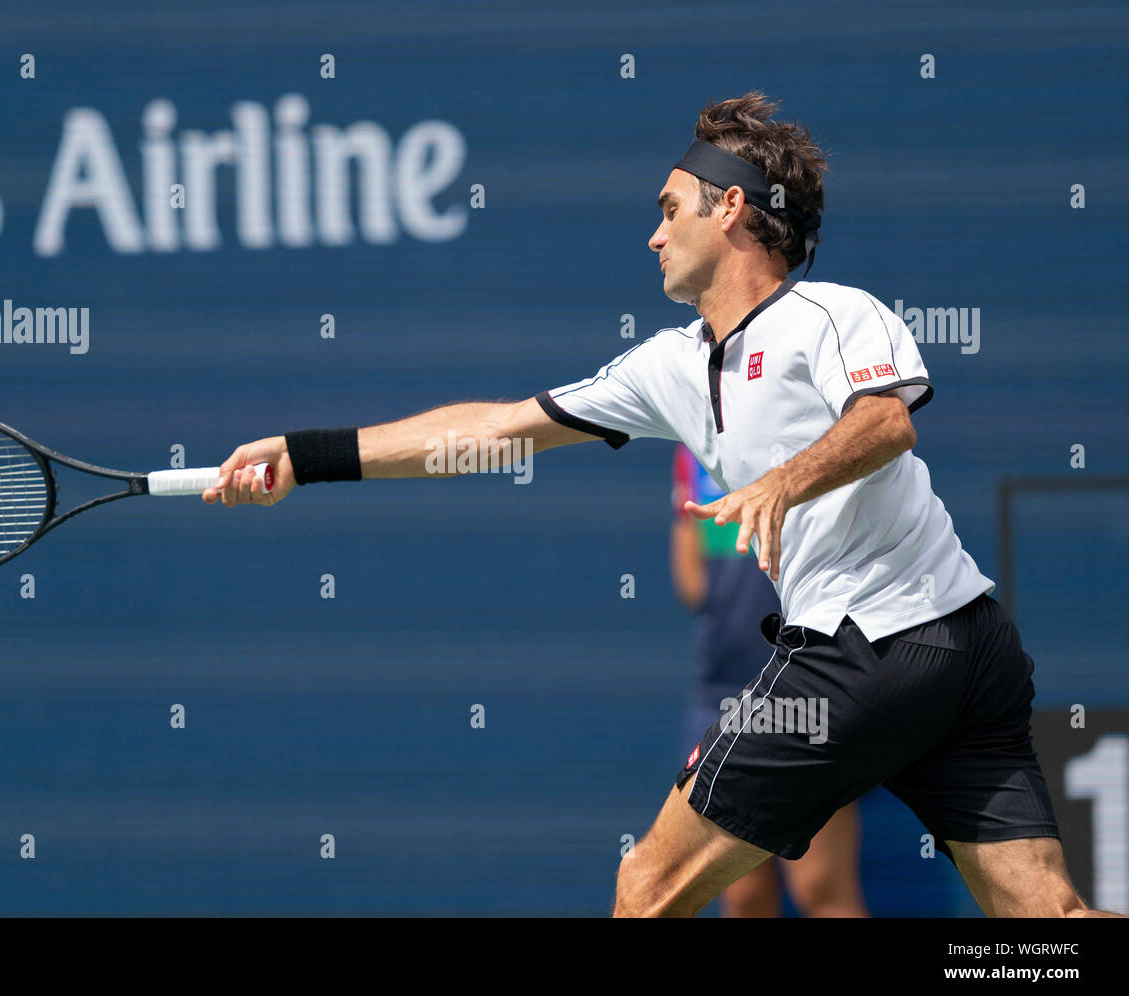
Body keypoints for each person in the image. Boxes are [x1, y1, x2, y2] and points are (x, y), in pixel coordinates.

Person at [200, 92, 1121, 918]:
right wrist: (308, 454)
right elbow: (496, 429)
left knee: (645, 890)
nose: (652, 234)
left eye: (668, 208)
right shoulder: (668, 366)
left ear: (731, 208)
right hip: (957, 650)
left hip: (871, 650)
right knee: (1050, 926)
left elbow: (885, 423)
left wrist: (780, 481)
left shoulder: (834, 314)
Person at [672, 443, 866, 917]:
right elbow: (691, 575)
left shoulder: (812, 429)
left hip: (810, 680)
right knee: (742, 893)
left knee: (820, 886)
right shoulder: (690, 444)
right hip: (723, 691)